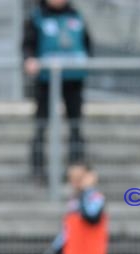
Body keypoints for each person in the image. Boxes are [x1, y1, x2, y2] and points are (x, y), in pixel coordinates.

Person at [22, 0, 92, 183]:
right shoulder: (36, 17)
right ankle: (38, 169)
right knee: (41, 124)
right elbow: (27, 44)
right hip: (46, 80)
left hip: (73, 79)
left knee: (75, 124)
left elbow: (87, 43)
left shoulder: (76, 15)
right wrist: (29, 59)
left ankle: (76, 170)